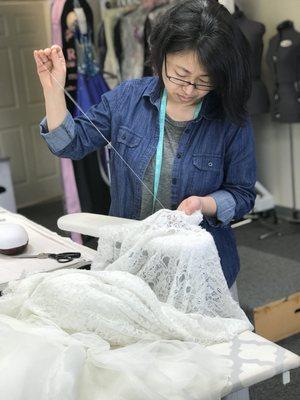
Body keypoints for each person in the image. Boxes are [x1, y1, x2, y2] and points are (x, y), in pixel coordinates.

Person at [34, 0, 256, 291]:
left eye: (204, 81)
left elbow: (242, 194)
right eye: (180, 75)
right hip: (129, 263)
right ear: (161, 55)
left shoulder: (229, 119)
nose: (190, 90)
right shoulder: (127, 100)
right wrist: (53, 90)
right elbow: (69, 145)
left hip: (198, 270)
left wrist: (205, 204)